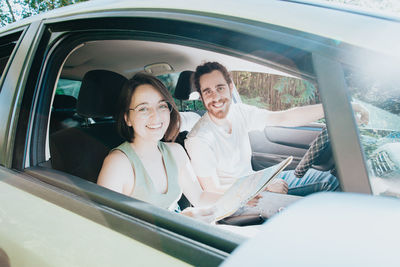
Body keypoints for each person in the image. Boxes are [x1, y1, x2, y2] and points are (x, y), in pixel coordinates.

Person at [185, 61, 369, 198]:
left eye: (220, 88)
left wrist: (340, 106)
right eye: (208, 91)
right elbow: (211, 191)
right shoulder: (199, 139)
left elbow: (285, 117)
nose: (215, 97)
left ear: (231, 88)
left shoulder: (238, 112)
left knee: (325, 178)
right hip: (238, 201)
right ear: (201, 97)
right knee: (328, 183)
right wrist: (262, 188)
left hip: (255, 182)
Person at [97, 73, 221, 223]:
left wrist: (241, 198)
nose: (156, 116)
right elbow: (107, 226)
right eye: (143, 108)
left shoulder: (176, 151)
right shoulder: (118, 164)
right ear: (127, 118)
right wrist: (178, 222)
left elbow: (199, 197)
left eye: (162, 106)